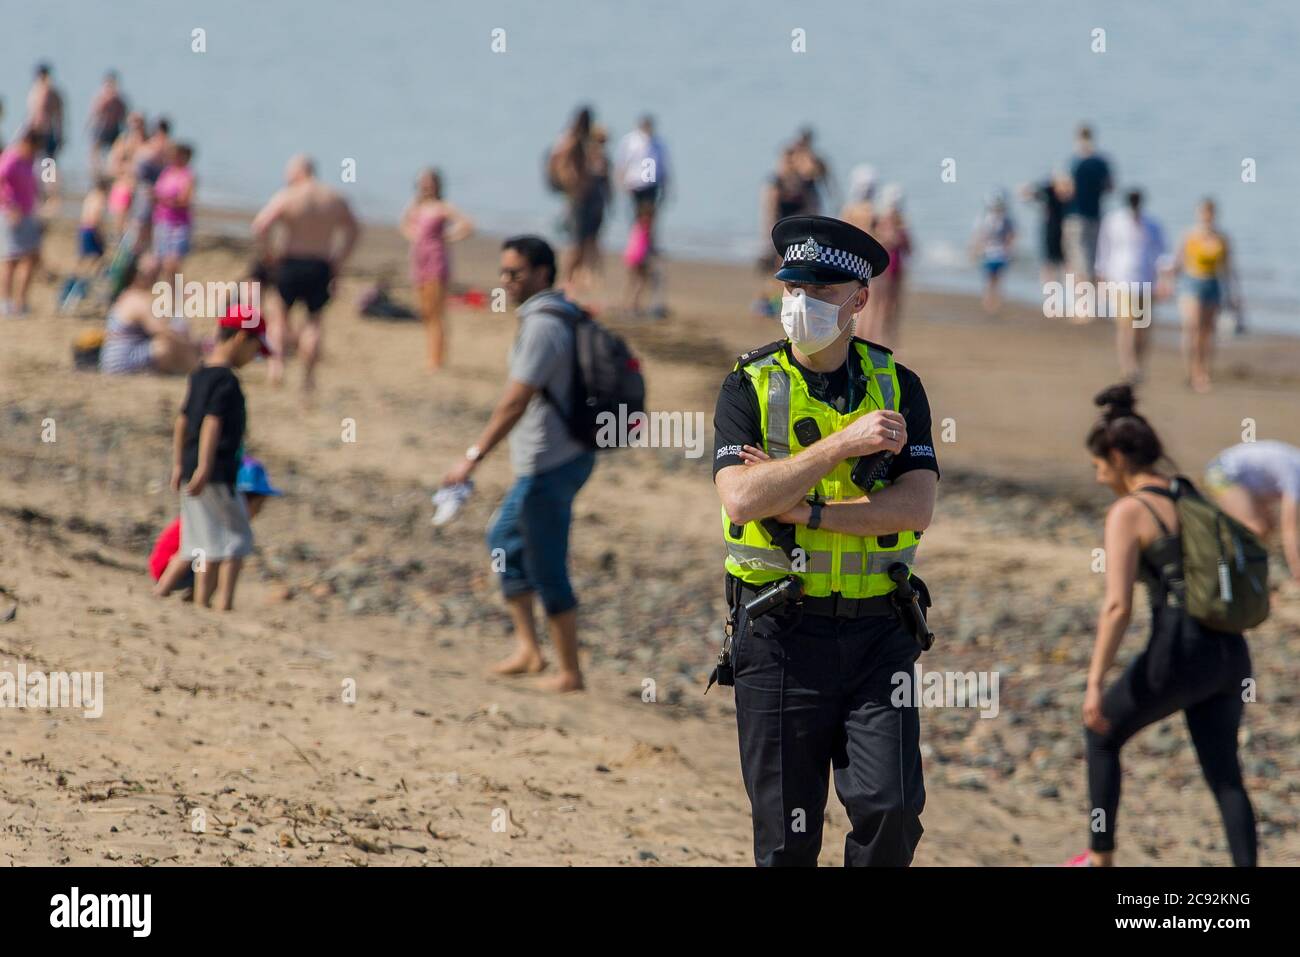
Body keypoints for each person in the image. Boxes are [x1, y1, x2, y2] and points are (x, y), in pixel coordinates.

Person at [713, 214, 940, 866]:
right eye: (792, 288)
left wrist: (804, 509)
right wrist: (844, 445)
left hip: (879, 634)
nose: (800, 303)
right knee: (787, 838)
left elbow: (916, 507)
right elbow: (741, 497)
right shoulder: (747, 385)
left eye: (819, 291)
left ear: (859, 299)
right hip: (780, 634)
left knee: (892, 807)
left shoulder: (900, 386)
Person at [1070, 385, 1255, 867]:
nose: (1098, 476)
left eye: (1099, 465)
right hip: (1231, 652)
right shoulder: (1190, 494)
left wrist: (1094, 683)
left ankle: (1100, 857)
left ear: (1115, 456)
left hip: (1179, 650)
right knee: (1225, 775)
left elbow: (1117, 607)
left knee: (1101, 733)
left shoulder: (1130, 511)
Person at [440, 236, 597, 694]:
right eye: (504, 273)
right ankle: (530, 651)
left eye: (517, 273)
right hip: (548, 462)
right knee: (504, 539)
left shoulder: (545, 324)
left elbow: (514, 402)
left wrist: (471, 458)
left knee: (546, 561)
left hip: (556, 462)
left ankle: (570, 672)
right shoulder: (546, 317)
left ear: (543, 274)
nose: (507, 281)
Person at [170, 308, 271, 611]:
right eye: (255, 350)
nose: (254, 358)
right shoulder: (227, 381)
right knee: (235, 537)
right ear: (241, 337)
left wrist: (179, 464)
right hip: (216, 471)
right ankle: (224, 601)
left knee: (205, 539)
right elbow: (212, 422)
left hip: (192, 466)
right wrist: (205, 465)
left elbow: (183, 421)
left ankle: (202, 599)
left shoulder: (200, 374)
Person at [251, 154, 361, 392]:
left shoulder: (289, 195)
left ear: (298, 172)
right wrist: (339, 259)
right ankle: (308, 377)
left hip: (291, 261)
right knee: (314, 321)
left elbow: (260, 225)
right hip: (321, 264)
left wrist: (269, 253)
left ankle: (276, 367)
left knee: (279, 315)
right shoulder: (332, 197)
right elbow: (354, 228)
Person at [153, 455, 284, 599]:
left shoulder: (221, 520)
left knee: (220, 555)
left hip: (191, 565)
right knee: (210, 554)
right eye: (258, 506)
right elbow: (188, 553)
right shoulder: (208, 517)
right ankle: (165, 591)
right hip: (167, 566)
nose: (258, 512)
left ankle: (195, 597)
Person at [400, 167, 474, 370]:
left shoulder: (443, 207)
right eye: (422, 182)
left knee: (436, 310)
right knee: (423, 310)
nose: (425, 186)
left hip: (436, 260)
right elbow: (404, 224)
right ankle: (431, 353)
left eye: (429, 182)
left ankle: (437, 358)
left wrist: (448, 237)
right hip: (418, 261)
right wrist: (414, 236)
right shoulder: (415, 206)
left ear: (437, 184)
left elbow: (467, 225)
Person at [1095, 189, 1166, 385]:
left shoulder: (1151, 224)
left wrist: (1164, 279)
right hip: (1121, 280)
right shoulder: (1114, 221)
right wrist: (1102, 276)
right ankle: (1127, 367)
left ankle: (1139, 365)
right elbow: (1104, 250)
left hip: (1145, 281)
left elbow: (1161, 253)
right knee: (1126, 326)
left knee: (1142, 327)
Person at [1205, 441, 1300, 584]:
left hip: (1245, 482)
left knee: (1268, 526)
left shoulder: (1293, 465)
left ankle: (1260, 571)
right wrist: (1296, 568)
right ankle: (1240, 575)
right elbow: (1289, 529)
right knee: (1254, 528)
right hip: (1221, 473)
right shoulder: (1294, 475)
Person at [1172, 198, 1239, 393]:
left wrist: (1234, 294)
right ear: (1198, 214)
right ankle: (1191, 370)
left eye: (1210, 213)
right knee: (1192, 327)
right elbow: (1178, 262)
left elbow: (1228, 268)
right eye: (1203, 212)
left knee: (1208, 331)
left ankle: (1204, 371)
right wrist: (1166, 283)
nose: (1207, 216)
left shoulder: (1222, 238)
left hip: (1213, 283)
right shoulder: (1189, 235)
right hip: (1192, 283)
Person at [98, 254, 198, 375]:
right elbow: (163, 330)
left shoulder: (130, 295)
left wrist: (172, 279)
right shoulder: (137, 299)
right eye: (151, 274)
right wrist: (190, 345)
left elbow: (170, 314)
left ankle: (193, 368)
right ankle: (194, 369)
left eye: (156, 273)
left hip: (114, 360)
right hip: (122, 362)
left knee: (174, 337)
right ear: (136, 275)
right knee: (165, 345)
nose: (154, 278)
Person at [1061, 125, 1113, 308]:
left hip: (1077, 216)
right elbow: (1110, 187)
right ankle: (1095, 306)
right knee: (1094, 260)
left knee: (1079, 261)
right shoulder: (1102, 162)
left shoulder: (1075, 161)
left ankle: (1084, 308)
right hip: (1096, 215)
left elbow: (1066, 191)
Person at [860, 185, 911, 349]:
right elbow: (869, 240)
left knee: (892, 308)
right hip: (881, 270)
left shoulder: (902, 224)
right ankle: (870, 340)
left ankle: (889, 342)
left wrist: (899, 237)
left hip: (896, 270)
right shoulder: (879, 220)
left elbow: (910, 249)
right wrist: (889, 239)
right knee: (873, 307)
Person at [0, 128, 44, 317]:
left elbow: (33, 186)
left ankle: (21, 302)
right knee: (10, 260)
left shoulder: (29, 160)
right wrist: (9, 204)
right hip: (12, 215)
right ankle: (6, 302)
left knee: (29, 258)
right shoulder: (12, 158)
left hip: (28, 213)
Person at [1020, 169, 1073, 286]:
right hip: (1050, 232)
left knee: (1066, 264)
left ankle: (1068, 292)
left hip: (1065, 233)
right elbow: (1026, 193)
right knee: (1049, 264)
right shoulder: (1049, 192)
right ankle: (1050, 293)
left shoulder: (1070, 196)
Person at [152, 143, 196, 276]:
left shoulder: (187, 175)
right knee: (159, 261)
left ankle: (175, 293)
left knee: (172, 263)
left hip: (178, 224)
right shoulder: (167, 171)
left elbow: (185, 201)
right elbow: (157, 192)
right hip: (162, 220)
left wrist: (164, 200)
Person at [131, 118, 172, 253]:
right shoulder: (162, 145)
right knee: (143, 223)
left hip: (150, 189)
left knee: (145, 223)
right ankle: (140, 251)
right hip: (148, 189)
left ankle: (142, 250)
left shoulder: (156, 145)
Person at [971, 189, 1015, 314]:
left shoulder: (1006, 220)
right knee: (989, 278)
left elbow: (1011, 236)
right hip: (988, 254)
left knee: (998, 279)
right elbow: (978, 236)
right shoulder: (984, 218)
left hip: (1001, 255)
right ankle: (989, 301)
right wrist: (975, 249)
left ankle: (996, 301)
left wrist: (1009, 249)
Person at [105, 112, 146, 239]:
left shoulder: (147, 141)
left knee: (136, 223)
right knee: (120, 220)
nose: (136, 125)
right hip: (123, 185)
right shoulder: (123, 140)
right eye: (133, 122)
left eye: (138, 122)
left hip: (139, 187)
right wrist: (127, 169)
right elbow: (113, 165)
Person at [86, 71, 128, 178]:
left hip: (109, 128)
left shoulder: (113, 98)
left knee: (107, 153)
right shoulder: (110, 98)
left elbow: (123, 116)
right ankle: (99, 173)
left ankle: (106, 173)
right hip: (106, 128)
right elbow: (94, 113)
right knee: (97, 153)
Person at [25, 63, 64, 167]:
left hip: (48, 131)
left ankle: (49, 182)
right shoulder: (34, 91)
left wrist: (60, 134)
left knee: (48, 161)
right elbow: (31, 114)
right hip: (34, 131)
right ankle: (32, 181)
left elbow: (59, 115)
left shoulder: (53, 93)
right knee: (30, 158)